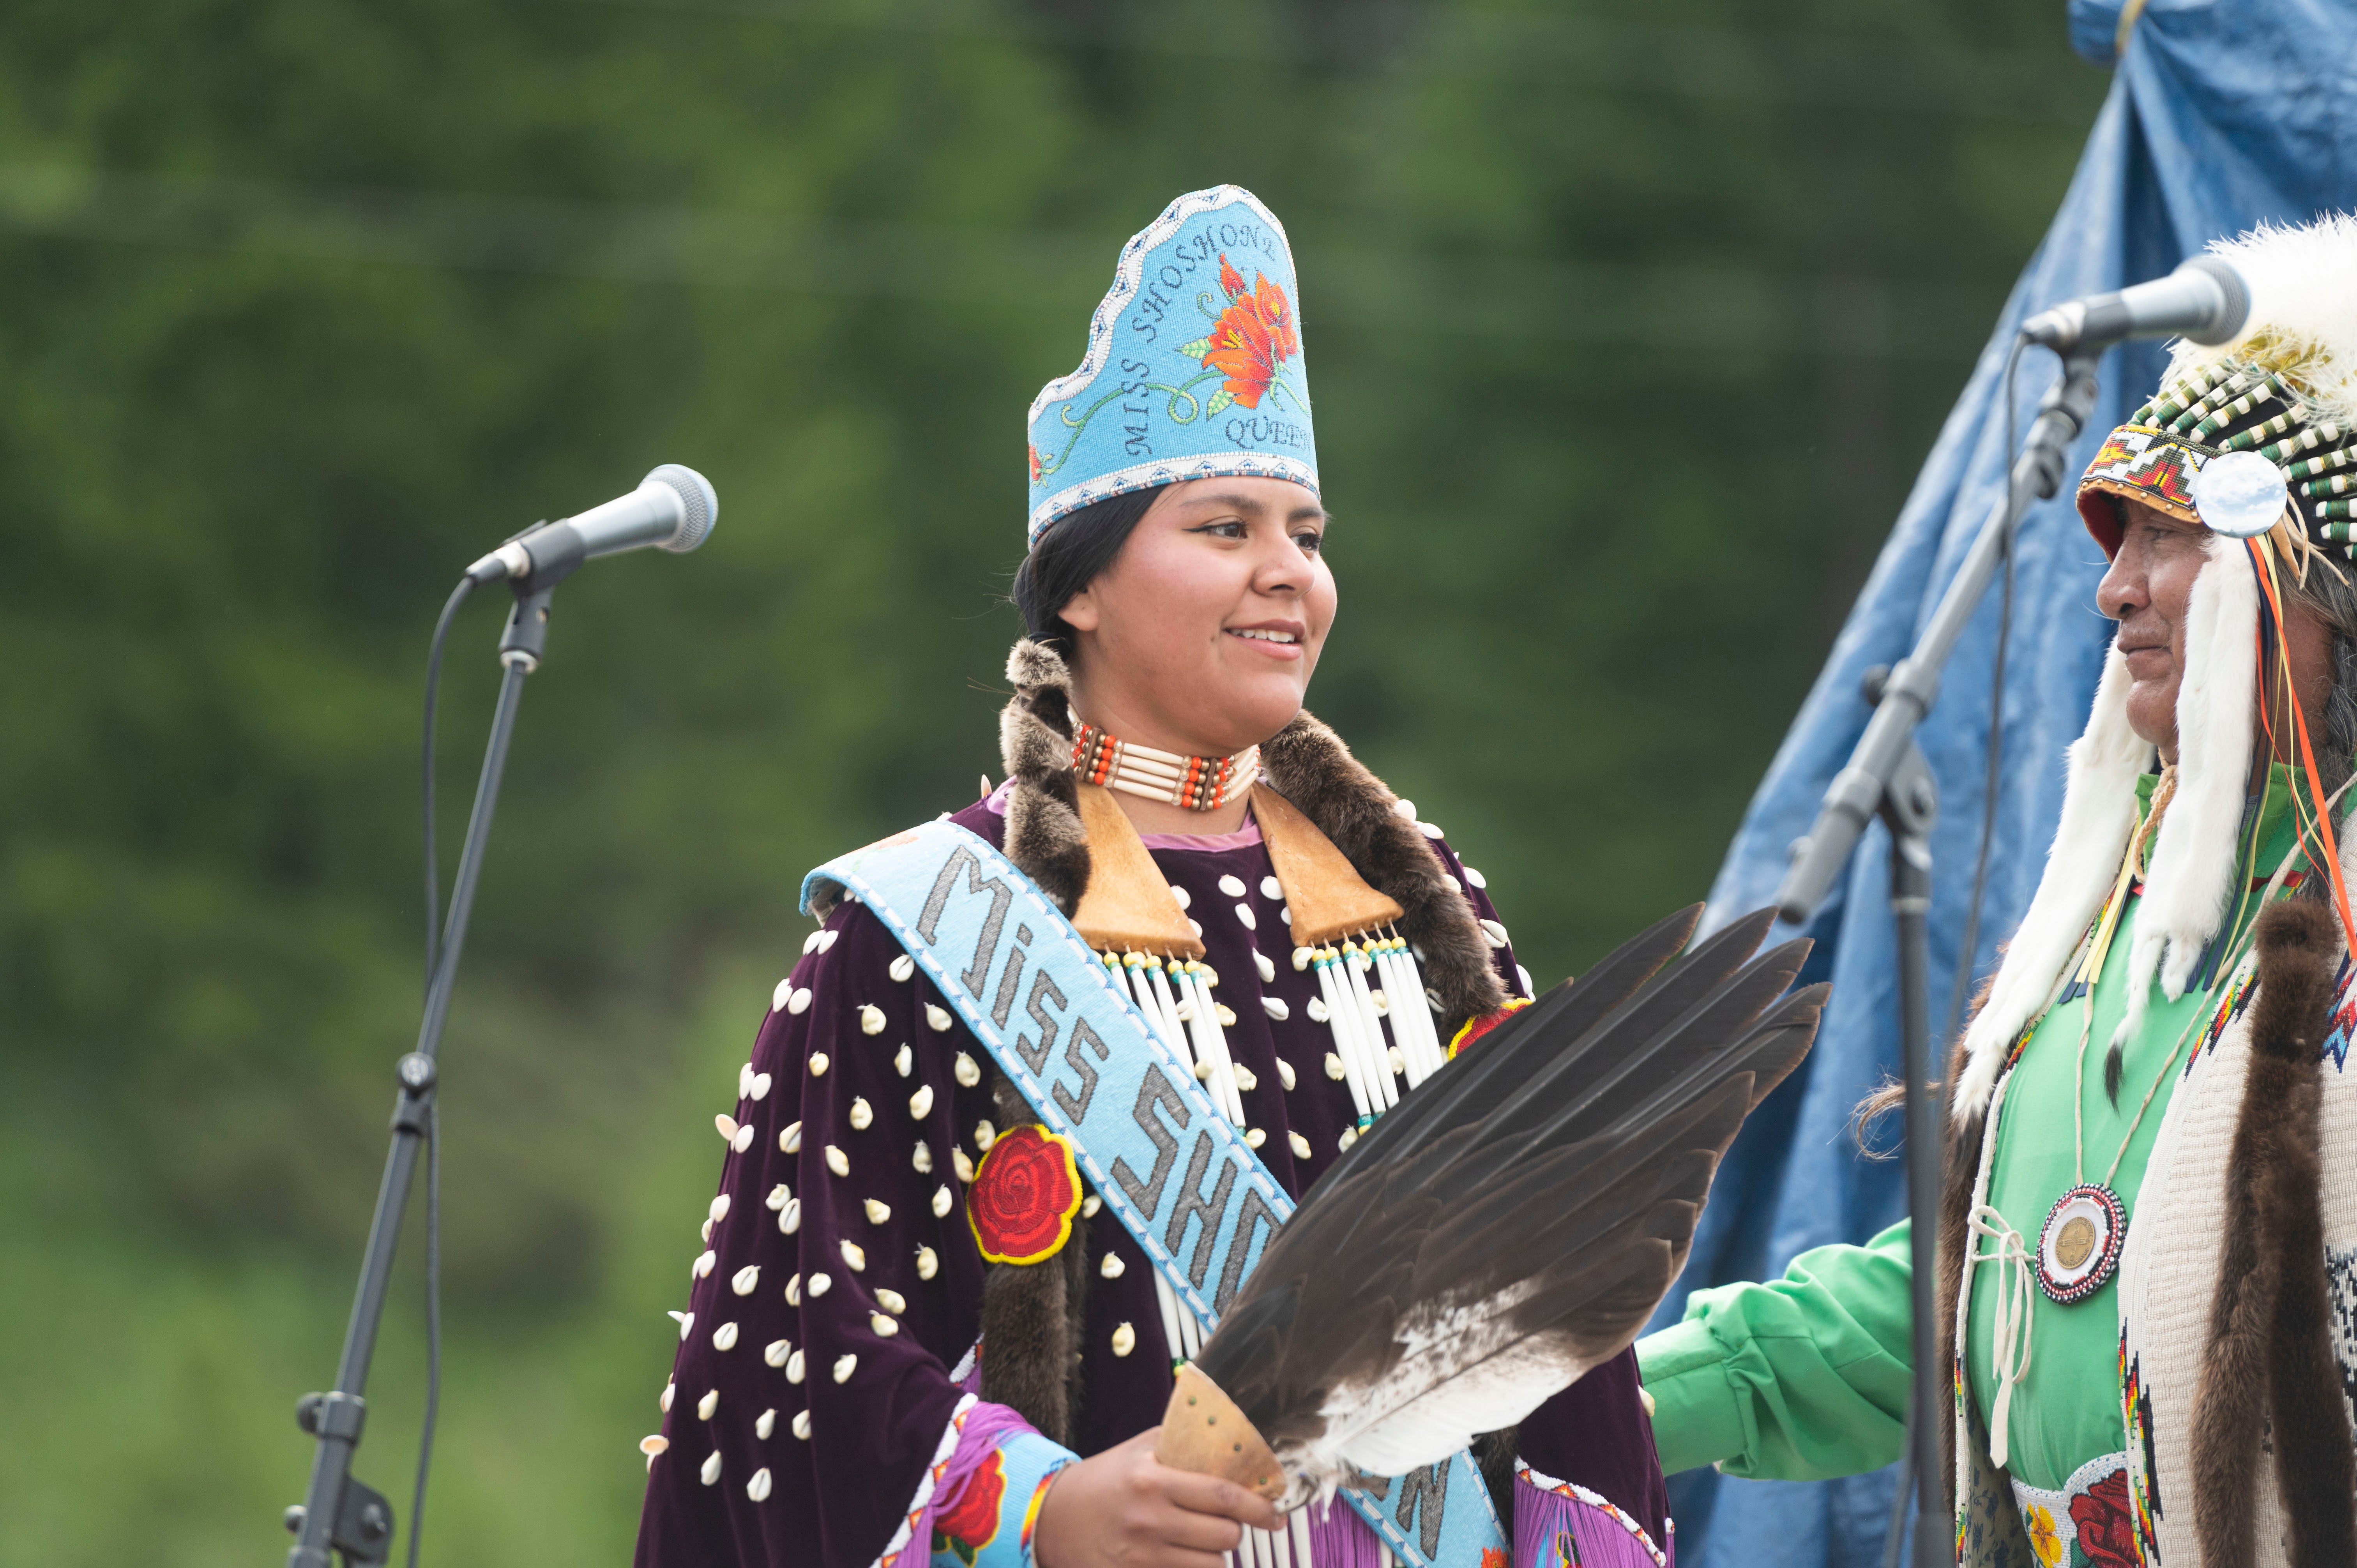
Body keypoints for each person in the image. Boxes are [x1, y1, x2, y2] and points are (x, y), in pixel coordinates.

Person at [634, 186, 1677, 1568]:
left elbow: (1558, 1335)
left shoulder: (1432, 919)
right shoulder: (923, 935)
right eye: (1224, 528)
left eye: (1305, 532)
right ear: (1079, 587)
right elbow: (775, 1370)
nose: (1287, 575)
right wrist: (1035, 1507)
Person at [1634, 213, 2357, 1565]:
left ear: (2316, 578)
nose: (2116, 590)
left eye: (2168, 540)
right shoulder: (2120, 927)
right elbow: (1973, 1296)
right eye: (2115, 539)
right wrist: (1614, 1399)